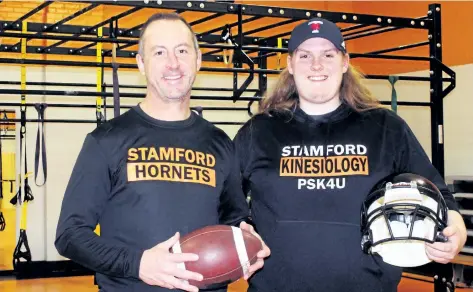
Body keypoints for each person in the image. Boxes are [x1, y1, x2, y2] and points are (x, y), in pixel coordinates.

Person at [233, 17, 467, 292]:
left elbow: (441, 196)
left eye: (328, 55)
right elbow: (228, 202)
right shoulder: (258, 131)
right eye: (305, 55)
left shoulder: (385, 127)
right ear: (290, 65)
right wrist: (239, 226)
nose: (317, 65)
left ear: (345, 62)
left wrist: (457, 233)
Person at [55, 13, 269, 292]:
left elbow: (234, 217)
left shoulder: (219, 143)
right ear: (141, 64)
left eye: (182, 50)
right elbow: (70, 235)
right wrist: (138, 263)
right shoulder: (106, 140)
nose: (173, 63)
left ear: (198, 60)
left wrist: (246, 239)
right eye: (159, 52)